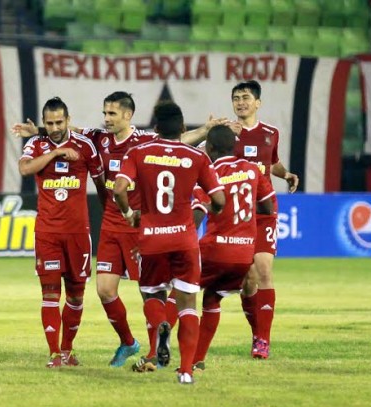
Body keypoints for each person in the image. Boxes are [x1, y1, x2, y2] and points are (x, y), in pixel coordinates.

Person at [12, 93, 228, 368]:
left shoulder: (145, 141)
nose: (106, 119)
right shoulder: (100, 138)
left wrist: (204, 131)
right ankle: (128, 342)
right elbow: (69, 131)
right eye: (105, 113)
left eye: (112, 114)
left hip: (140, 225)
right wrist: (39, 132)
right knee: (104, 290)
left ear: (128, 115)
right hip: (113, 224)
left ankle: (154, 352)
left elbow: (175, 144)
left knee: (150, 291)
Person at [113, 101, 225, 384]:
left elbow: (119, 189)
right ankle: (186, 372)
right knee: (188, 303)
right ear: (183, 129)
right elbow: (219, 200)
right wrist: (213, 212)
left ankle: (161, 323)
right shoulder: (196, 157)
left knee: (152, 296)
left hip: (151, 239)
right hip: (185, 240)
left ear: (156, 129)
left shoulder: (139, 152)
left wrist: (129, 214)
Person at [18, 97, 107, 368]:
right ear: (44, 123)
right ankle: (54, 353)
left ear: (68, 120)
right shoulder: (36, 144)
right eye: (49, 123)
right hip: (47, 232)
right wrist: (56, 153)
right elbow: (24, 169)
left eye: (59, 122)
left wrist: (113, 215)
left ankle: (67, 350)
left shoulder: (86, 146)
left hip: (79, 233)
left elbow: (101, 184)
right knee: (49, 294)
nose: (55, 127)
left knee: (77, 295)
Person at [189, 125, 275, 372]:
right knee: (212, 297)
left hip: (215, 250)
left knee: (180, 291)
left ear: (211, 148)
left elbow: (198, 212)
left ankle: (157, 346)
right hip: (244, 254)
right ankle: (198, 359)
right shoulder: (251, 169)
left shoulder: (210, 172)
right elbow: (268, 208)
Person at [229, 80, 299, 359]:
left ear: (258, 102)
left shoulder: (271, 133)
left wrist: (286, 174)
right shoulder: (225, 134)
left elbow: (271, 163)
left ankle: (263, 340)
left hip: (264, 210)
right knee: (247, 280)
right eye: (236, 98)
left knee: (264, 270)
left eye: (246, 97)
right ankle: (257, 331)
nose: (240, 102)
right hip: (236, 214)